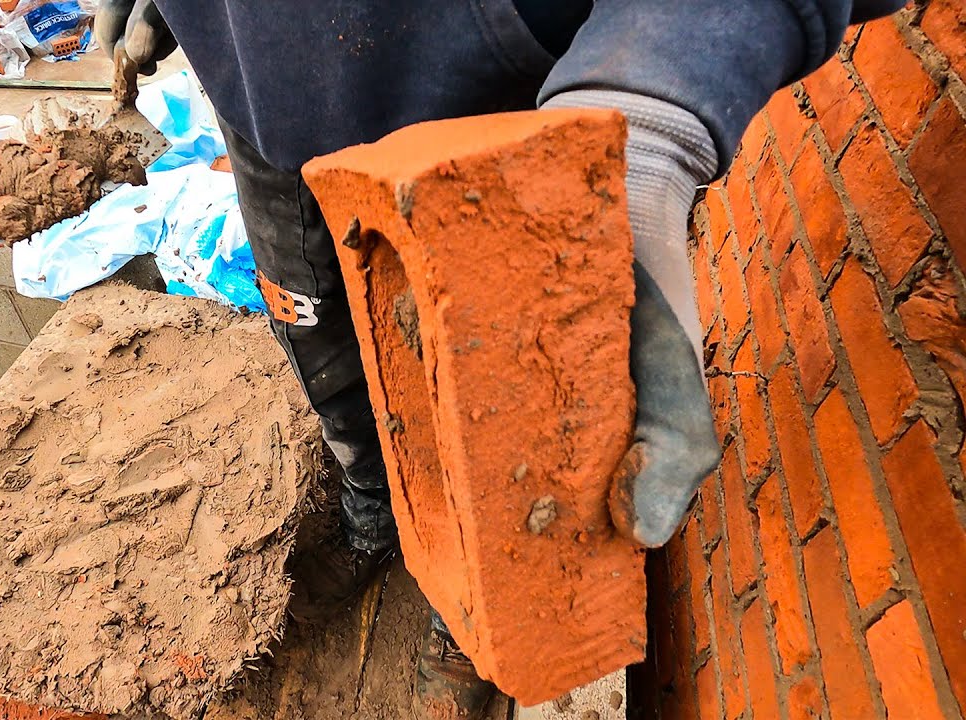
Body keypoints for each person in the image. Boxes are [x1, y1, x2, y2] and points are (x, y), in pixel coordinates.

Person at [95, 2, 907, 716]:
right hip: (259, 105)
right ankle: (373, 512)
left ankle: (476, 603)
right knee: (313, 329)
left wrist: (655, 98)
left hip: (479, 88)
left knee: (486, 400)